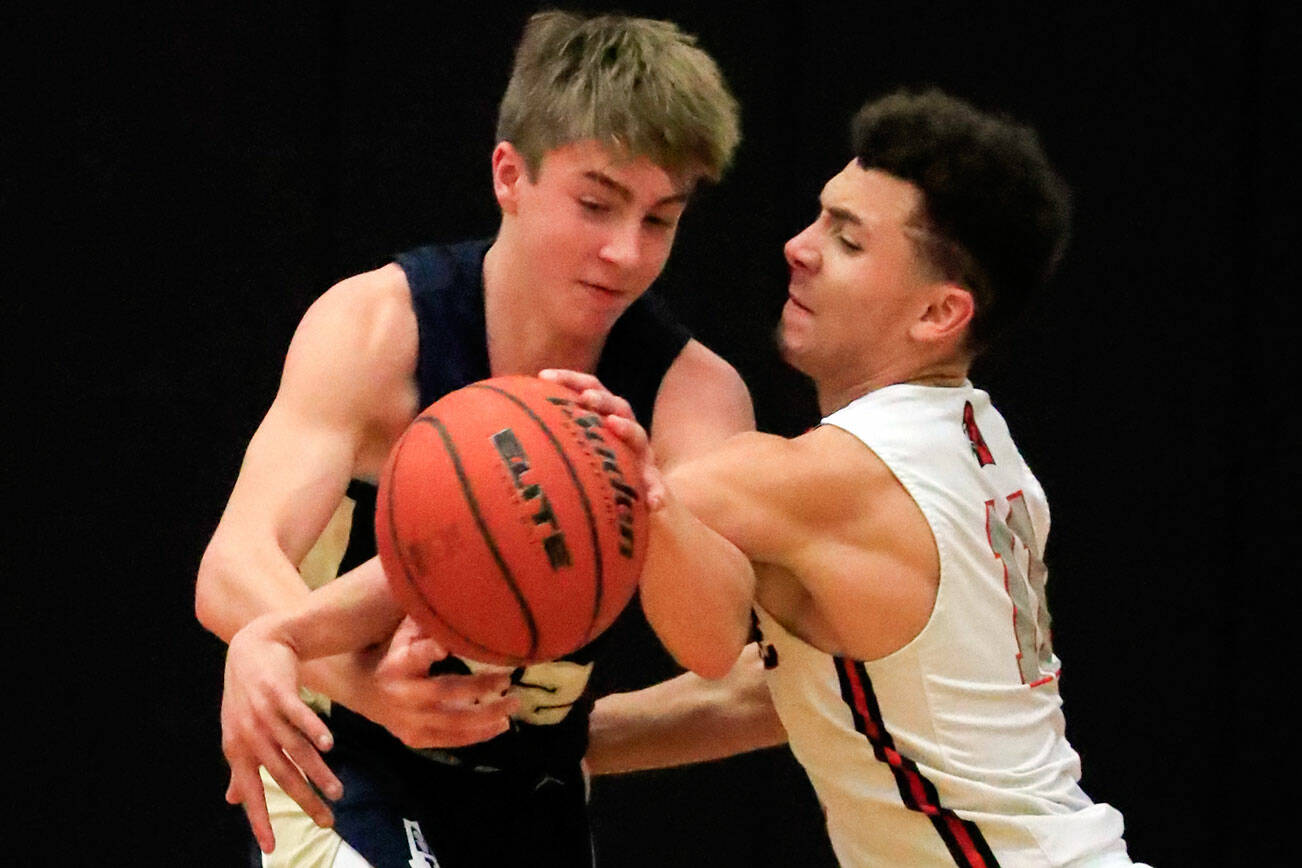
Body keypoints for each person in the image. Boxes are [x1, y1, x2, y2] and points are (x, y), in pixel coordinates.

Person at [196, 11, 768, 867]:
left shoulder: (690, 393)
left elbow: (716, 645)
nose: (624, 252)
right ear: (510, 174)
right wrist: (355, 683)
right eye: (596, 204)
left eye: (660, 220)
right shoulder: (381, 326)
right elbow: (232, 564)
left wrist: (655, 499)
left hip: (530, 786)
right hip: (348, 759)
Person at [551, 88, 1143, 866]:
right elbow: (775, 698)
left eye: (848, 241)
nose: (799, 247)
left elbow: (545, 503)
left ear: (938, 314)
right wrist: (553, 754)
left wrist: (347, 667)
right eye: (819, 217)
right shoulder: (984, 448)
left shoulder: (839, 477)